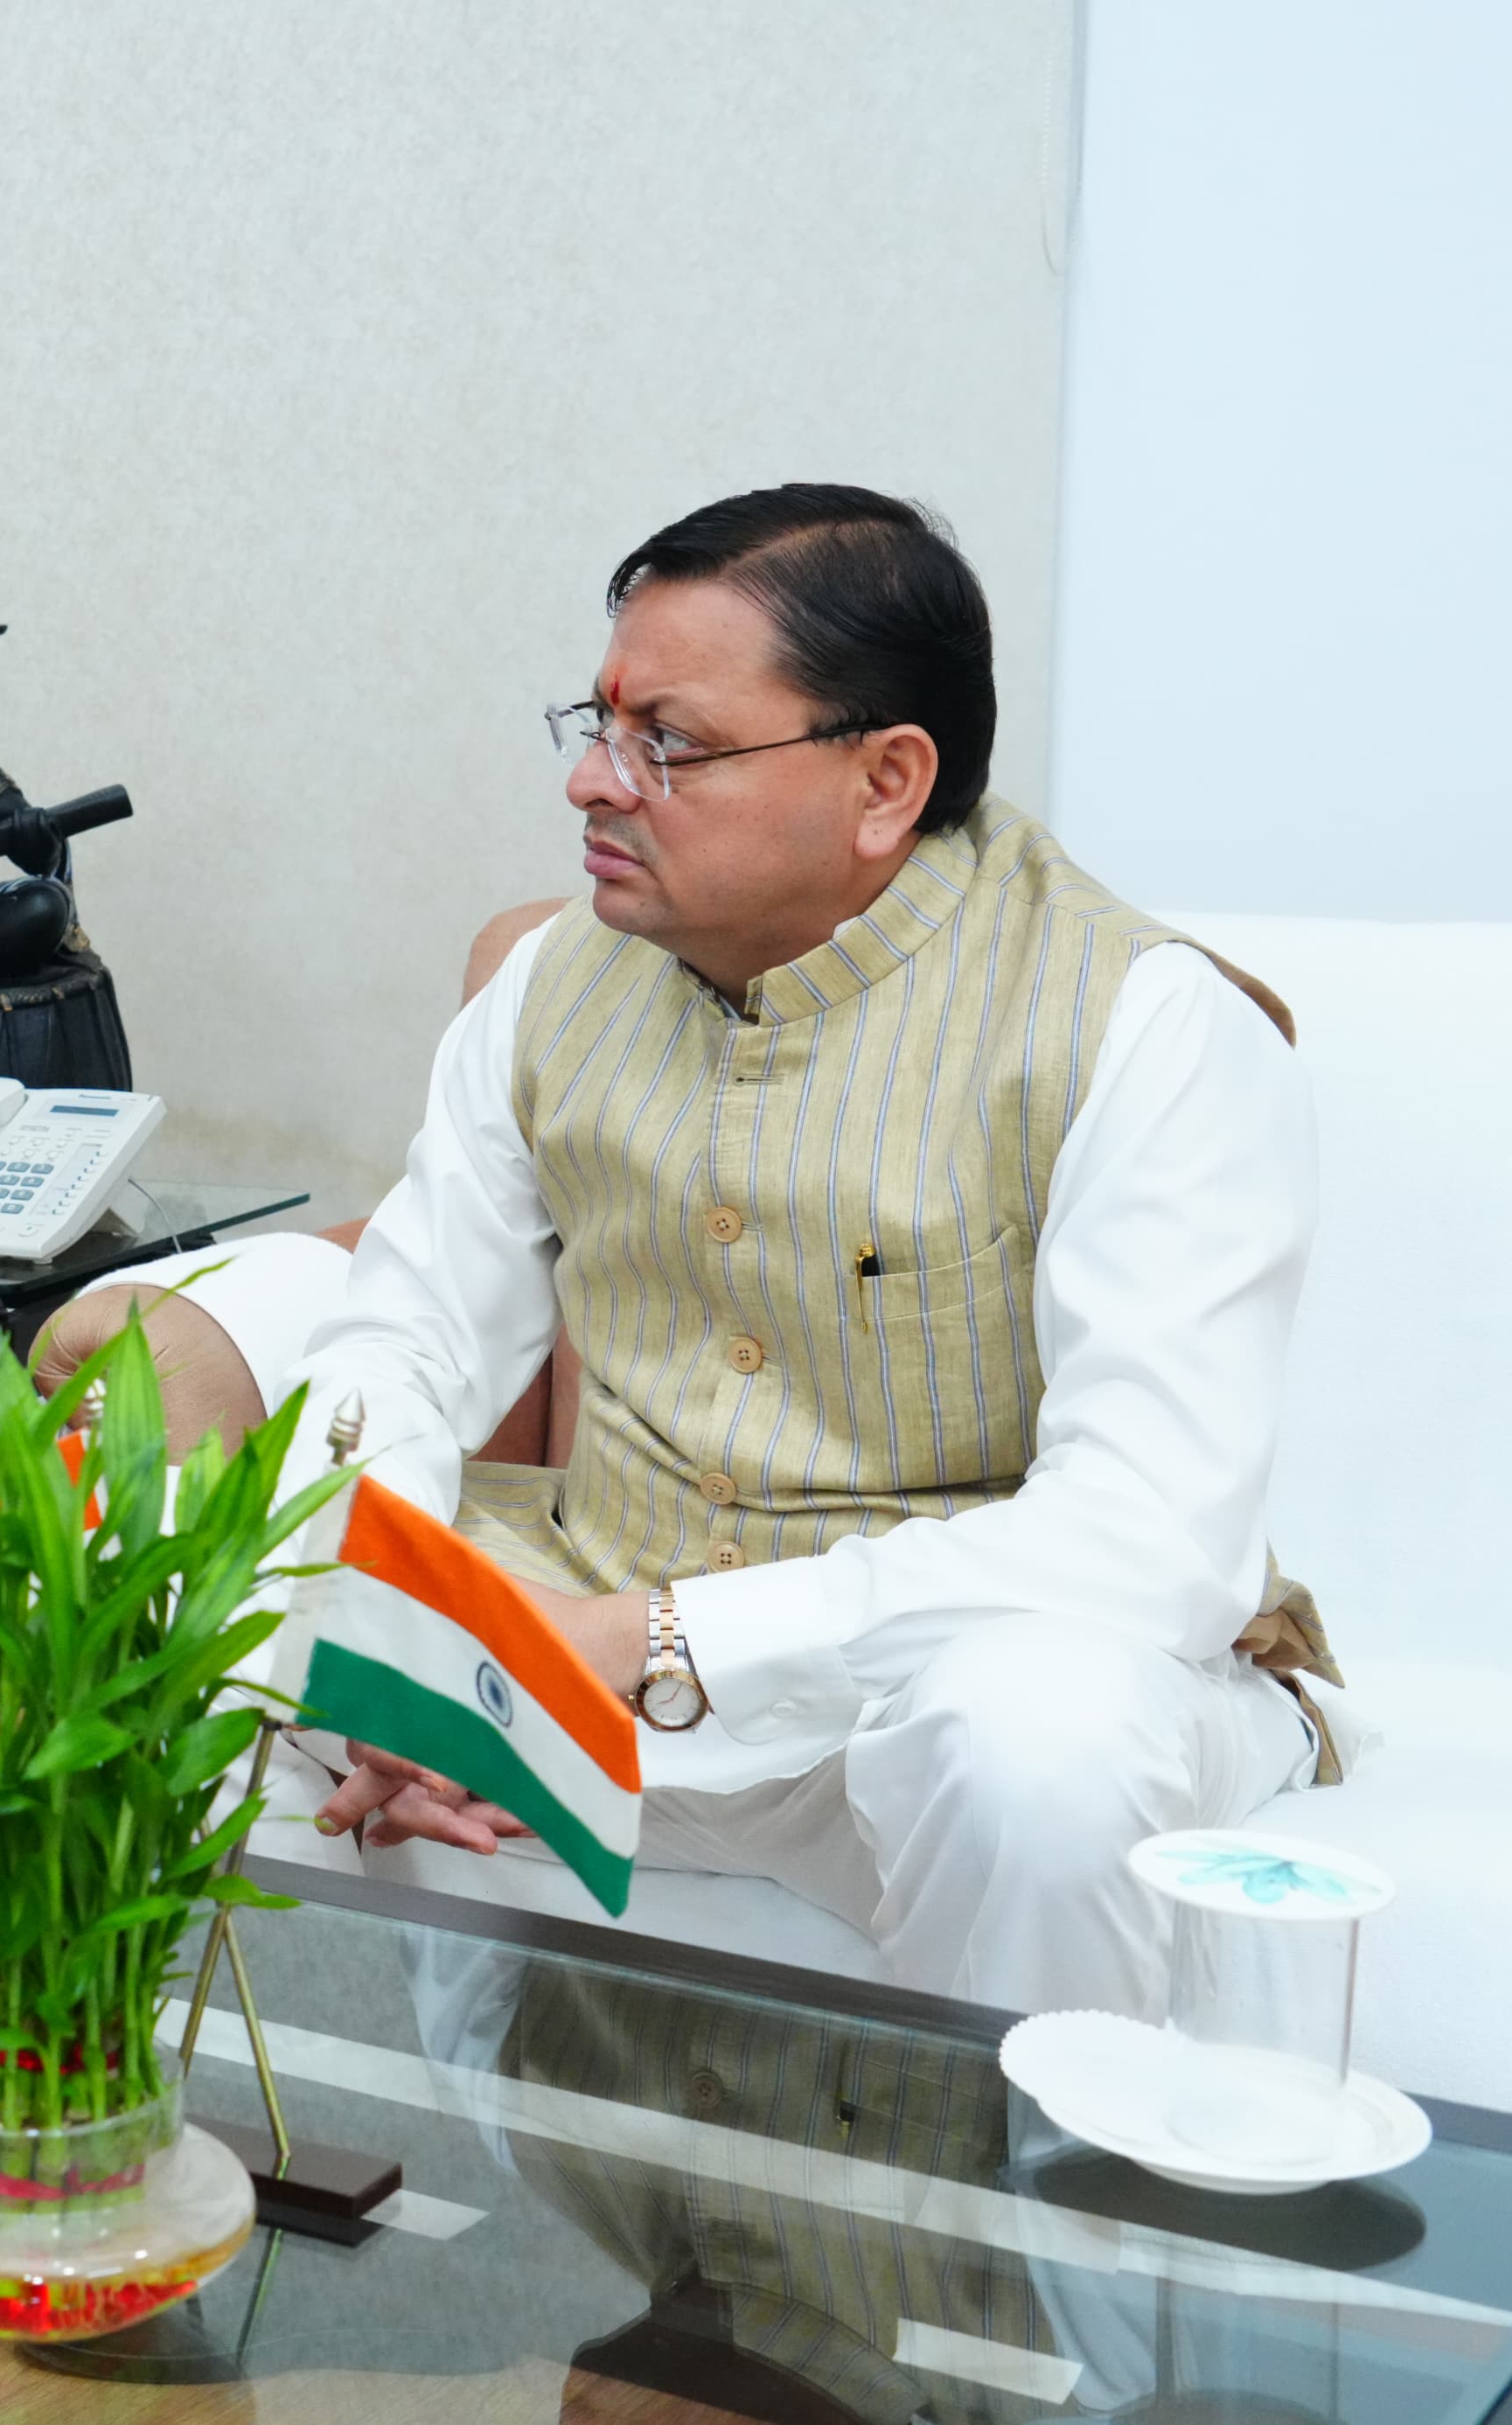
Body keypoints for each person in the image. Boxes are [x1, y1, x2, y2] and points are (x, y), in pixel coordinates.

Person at [279, 484, 1340, 2018]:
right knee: (165, 1621)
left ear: (885, 780)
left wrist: (652, 1640)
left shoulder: (1145, 1022)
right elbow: (407, 1338)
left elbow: (1146, 1540)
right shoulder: (554, 982)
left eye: (670, 742)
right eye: (599, 721)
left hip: (927, 1690)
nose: (592, 780)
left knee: (1040, 1744)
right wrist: (401, 1643)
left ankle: (1040, 2184)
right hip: (581, 1630)